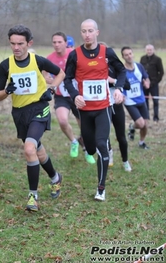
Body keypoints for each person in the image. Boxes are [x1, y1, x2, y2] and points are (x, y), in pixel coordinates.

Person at [0, 24, 64, 213]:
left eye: (20, 43)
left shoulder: (38, 60)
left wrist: (51, 88)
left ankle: (32, 195)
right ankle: (55, 177)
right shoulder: (5, 65)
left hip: (39, 109)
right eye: (12, 44)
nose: (16, 48)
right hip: (19, 113)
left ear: (29, 43)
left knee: (28, 148)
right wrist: (6, 91)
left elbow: (60, 73)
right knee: (37, 150)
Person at [64, 19, 126, 201]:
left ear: (97, 32)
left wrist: (119, 89)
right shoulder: (74, 55)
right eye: (83, 31)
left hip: (103, 108)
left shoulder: (107, 52)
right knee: (91, 148)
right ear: (81, 33)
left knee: (100, 145)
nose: (87, 34)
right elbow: (67, 79)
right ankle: (101, 146)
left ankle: (101, 188)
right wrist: (75, 95)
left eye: (90, 30)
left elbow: (121, 71)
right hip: (85, 109)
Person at [45, 31, 95, 164]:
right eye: (54, 42)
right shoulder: (50, 58)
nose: (56, 45)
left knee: (85, 126)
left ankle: (87, 149)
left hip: (77, 95)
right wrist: (47, 78)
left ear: (66, 43)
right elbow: (43, 72)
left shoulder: (74, 54)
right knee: (62, 120)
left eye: (59, 42)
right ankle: (74, 142)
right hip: (61, 96)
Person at [97, 42, 131, 172]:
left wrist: (113, 81)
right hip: (102, 105)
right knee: (104, 135)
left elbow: (126, 85)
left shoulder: (114, 67)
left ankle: (125, 160)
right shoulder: (93, 68)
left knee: (121, 136)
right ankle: (109, 153)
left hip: (116, 105)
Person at [121, 46, 151, 150]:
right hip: (130, 101)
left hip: (141, 99)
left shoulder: (139, 66)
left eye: (130, 54)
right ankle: (132, 126)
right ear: (123, 57)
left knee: (145, 125)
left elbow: (146, 77)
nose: (129, 56)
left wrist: (147, 83)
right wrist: (122, 94)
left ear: (133, 54)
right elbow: (120, 85)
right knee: (140, 123)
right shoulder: (122, 71)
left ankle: (141, 142)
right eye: (126, 55)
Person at [139, 44, 164, 123]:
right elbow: (140, 70)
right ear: (145, 50)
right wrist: (143, 81)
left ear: (153, 50)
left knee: (155, 101)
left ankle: (156, 117)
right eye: (147, 50)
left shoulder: (157, 59)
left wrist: (155, 82)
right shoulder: (142, 58)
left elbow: (161, 72)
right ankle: (146, 117)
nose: (149, 51)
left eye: (150, 50)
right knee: (145, 101)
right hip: (144, 84)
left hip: (154, 84)